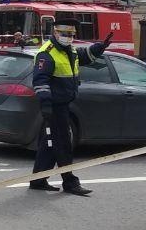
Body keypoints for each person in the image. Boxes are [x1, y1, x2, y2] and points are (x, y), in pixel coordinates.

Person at [29, 23, 112, 196]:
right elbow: (40, 81)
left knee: (49, 143)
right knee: (63, 144)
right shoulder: (47, 53)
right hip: (54, 106)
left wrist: (99, 48)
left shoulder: (69, 50)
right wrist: (45, 104)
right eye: (65, 33)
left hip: (63, 104)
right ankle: (70, 182)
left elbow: (83, 57)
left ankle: (38, 179)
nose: (68, 37)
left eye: (71, 34)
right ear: (55, 33)